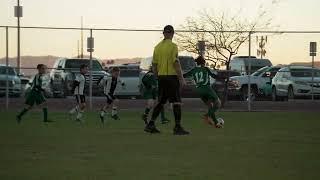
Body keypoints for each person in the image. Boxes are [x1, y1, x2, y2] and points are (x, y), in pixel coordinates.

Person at [144, 25, 189, 135]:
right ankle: (177, 127)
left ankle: (150, 125)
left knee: (161, 102)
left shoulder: (157, 47)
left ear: (163, 33)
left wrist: (157, 77)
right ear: (172, 34)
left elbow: (154, 65)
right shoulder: (173, 46)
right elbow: (176, 63)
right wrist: (181, 78)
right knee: (177, 102)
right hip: (171, 77)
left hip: (162, 77)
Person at [184, 56, 222, 128]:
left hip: (199, 90)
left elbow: (184, 75)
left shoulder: (193, 70)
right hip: (207, 88)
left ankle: (216, 123)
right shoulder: (205, 69)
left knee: (210, 106)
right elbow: (213, 76)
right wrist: (222, 77)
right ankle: (206, 116)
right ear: (203, 63)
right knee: (218, 104)